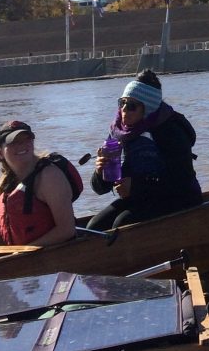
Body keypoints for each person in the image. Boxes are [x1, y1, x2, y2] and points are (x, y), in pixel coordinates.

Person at [86, 69, 202, 230]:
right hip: (139, 197)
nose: (124, 109)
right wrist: (100, 172)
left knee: (123, 225)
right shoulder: (119, 131)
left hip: (179, 199)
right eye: (122, 103)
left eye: (132, 105)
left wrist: (135, 187)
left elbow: (181, 182)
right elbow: (101, 189)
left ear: (147, 108)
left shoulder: (170, 130)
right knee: (94, 227)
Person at [0, 121, 77, 246]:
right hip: (20, 257)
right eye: (14, 142)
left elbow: (67, 230)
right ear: (0, 154)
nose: (22, 145)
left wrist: (23, 253)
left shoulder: (50, 176)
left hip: (52, 256)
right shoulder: (6, 183)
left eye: (27, 139)